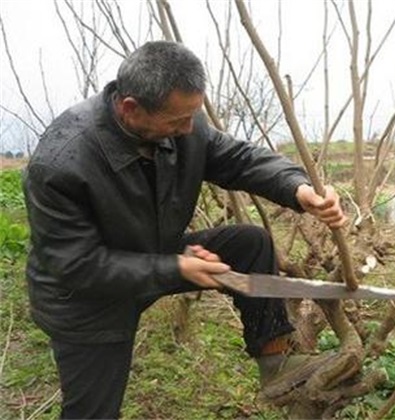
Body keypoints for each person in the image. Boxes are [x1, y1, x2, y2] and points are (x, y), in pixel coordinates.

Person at [22, 40, 346, 419]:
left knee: (249, 243)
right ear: (131, 109)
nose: (189, 128)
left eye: (192, 116)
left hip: (152, 255)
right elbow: (75, 264)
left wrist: (298, 188)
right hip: (84, 300)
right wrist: (175, 268)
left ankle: (275, 365)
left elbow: (238, 159)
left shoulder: (182, 124)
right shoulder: (61, 163)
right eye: (177, 121)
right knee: (93, 412)